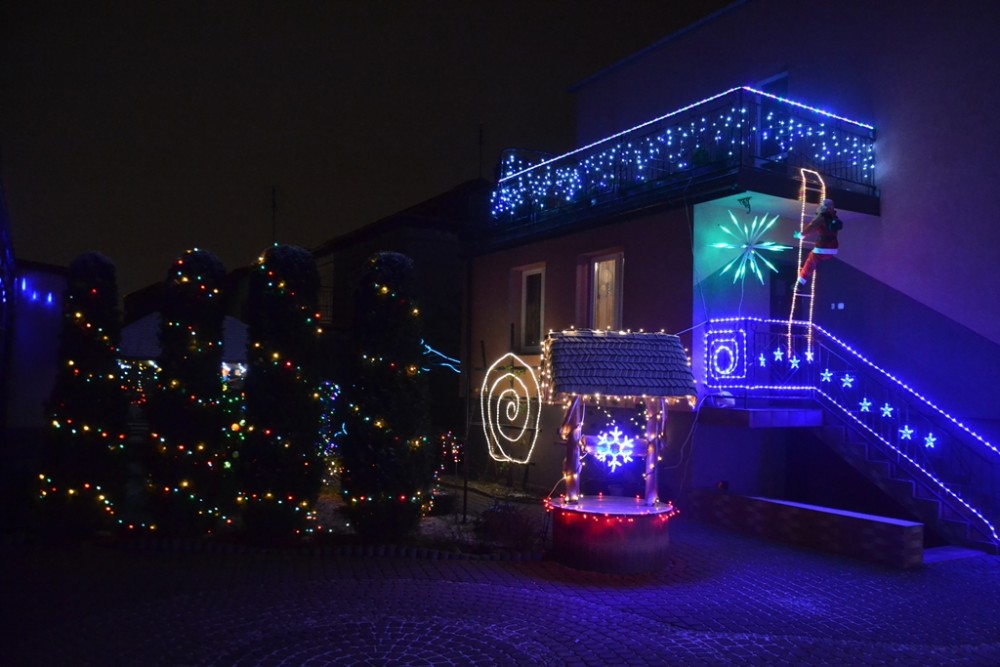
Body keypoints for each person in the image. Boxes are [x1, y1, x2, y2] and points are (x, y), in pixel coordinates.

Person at [794, 198, 842, 285]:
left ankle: (800, 283)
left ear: (824, 206)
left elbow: (812, 227)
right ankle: (801, 278)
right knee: (813, 260)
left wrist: (800, 235)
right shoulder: (835, 217)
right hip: (833, 247)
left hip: (823, 246)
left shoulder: (823, 217)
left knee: (810, 262)